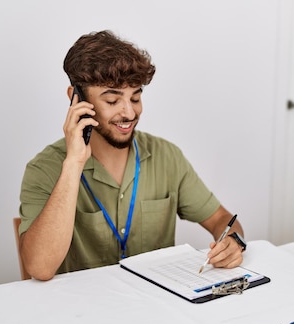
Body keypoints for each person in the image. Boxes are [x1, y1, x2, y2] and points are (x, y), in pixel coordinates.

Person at [18, 30, 246, 281]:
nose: (129, 112)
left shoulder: (167, 156)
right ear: (76, 99)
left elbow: (221, 219)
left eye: (135, 97)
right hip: (80, 312)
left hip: (157, 306)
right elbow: (39, 268)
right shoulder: (43, 169)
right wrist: (73, 163)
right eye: (113, 100)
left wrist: (233, 241)